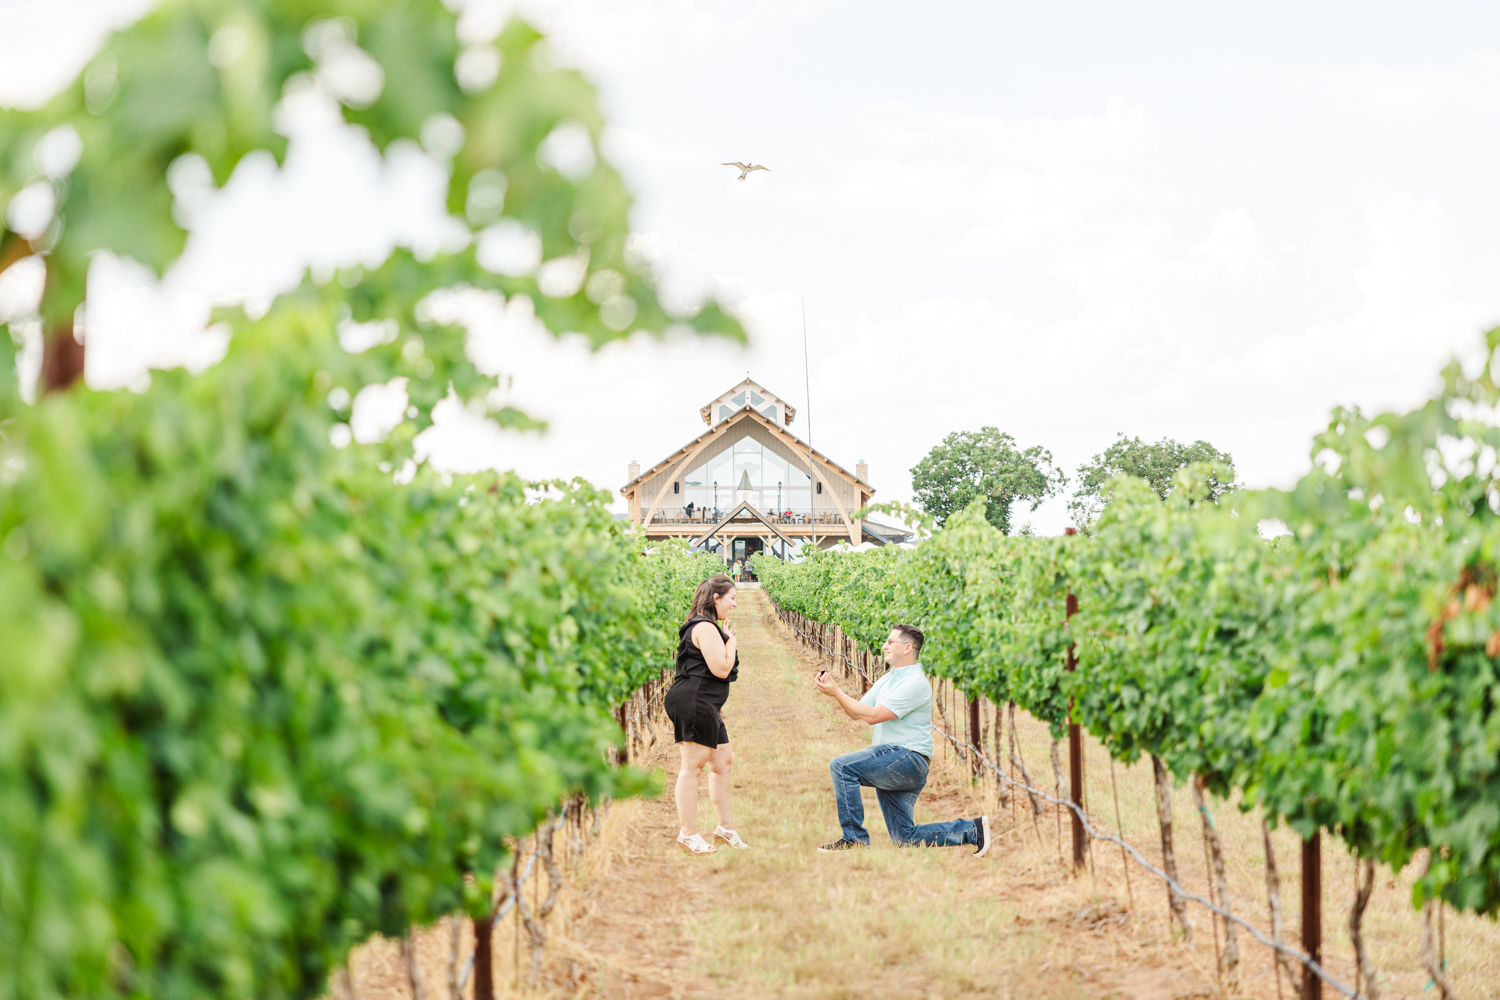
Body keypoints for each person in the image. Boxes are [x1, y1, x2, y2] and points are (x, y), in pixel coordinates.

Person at [813, 624, 991, 855]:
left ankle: (854, 839)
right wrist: (834, 691)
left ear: (907, 648)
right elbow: (856, 713)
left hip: (906, 759)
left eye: (890, 642)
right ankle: (973, 830)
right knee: (904, 837)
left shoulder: (915, 683)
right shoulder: (889, 679)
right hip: (895, 762)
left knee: (841, 766)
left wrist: (837, 692)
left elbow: (874, 717)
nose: (884, 646)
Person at [663, 575, 750, 854]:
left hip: (704, 702)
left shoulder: (709, 627)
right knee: (693, 766)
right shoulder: (705, 627)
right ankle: (688, 834)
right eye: (732, 598)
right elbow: (721, 669)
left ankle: (725, 829)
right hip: (694, 701)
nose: (734, 604)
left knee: (723, 761)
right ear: (716, 598)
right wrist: (732, 641)